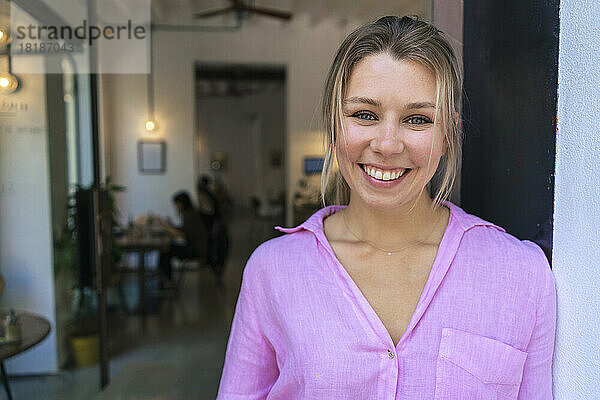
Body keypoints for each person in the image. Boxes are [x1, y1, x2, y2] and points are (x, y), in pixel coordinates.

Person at [217, 16, 556, 399]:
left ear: (447, 135)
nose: (388, 144)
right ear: (333, 124)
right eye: (365, 114)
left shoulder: (523, 275)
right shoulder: (272, 271)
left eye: (417, 119)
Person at [158, 191, 208, 281]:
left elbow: (183, 234)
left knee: (166, 250)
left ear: (180, 204)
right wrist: (171, 226)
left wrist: (168, 227)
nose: (175, 207)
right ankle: (164, 277)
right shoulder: (191, 213)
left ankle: (165, 279)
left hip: (195, 250)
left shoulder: (189, 215)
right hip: (195, 247)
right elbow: (185, 230)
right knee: (167, 249)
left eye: (176, 205)